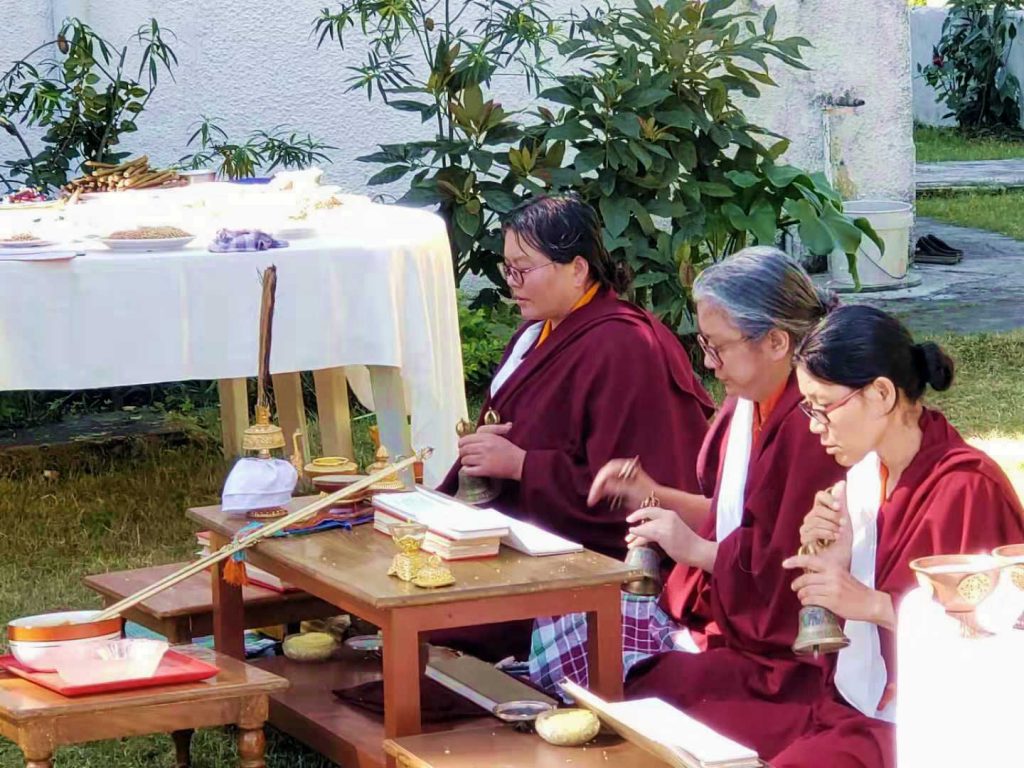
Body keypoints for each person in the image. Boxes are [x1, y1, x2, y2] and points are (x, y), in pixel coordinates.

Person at [433, 193, 715, 661]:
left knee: (444, 614)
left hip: (594, 561)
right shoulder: (535, 333)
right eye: (508, 269)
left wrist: (523, 466)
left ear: (578, 269)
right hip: (525, 534)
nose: (512, 284)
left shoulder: (624, 346)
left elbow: (624, 495)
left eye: (524, 270)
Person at [558, 247, 846, 697]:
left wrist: (695, 550)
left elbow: (785, 571)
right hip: (719, 615)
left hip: (780, 651)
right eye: (705, 345)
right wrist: (652, 493)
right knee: (565, 627)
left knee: (616, 679)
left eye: (718, 347)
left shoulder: (813, 427)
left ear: (776, 342)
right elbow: (731, 515)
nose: (709, 362)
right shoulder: (746, 400)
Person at [762, 305, 1024, 768]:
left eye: (823, 406)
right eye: (809, 407)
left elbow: (994, 643)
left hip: (936, 728)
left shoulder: (967, 488)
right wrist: (834, 559)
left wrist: (869, 604)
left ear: (881, 394)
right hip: (855, 708)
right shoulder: (867, 476)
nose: (813, 424)